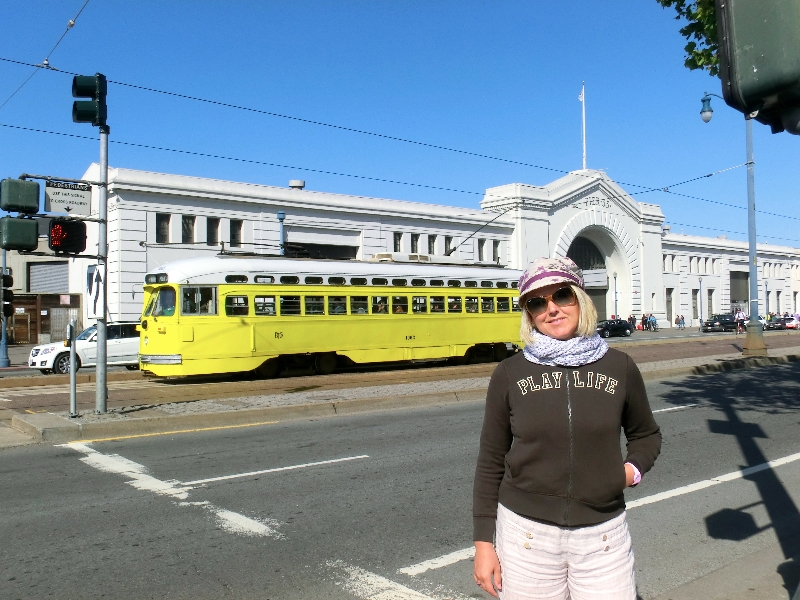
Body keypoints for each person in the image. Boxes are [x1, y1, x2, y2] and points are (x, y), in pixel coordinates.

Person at [473, 256, 661, 599]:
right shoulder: (509, 373)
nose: (552, 309)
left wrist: (629, 472)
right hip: (526, 536)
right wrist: (484, 542)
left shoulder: (620, 367)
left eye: (561, 295)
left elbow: (646, 434)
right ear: (529, 314)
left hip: (603, 536)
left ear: (580, 299)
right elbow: (490, 459)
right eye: (536, 303)